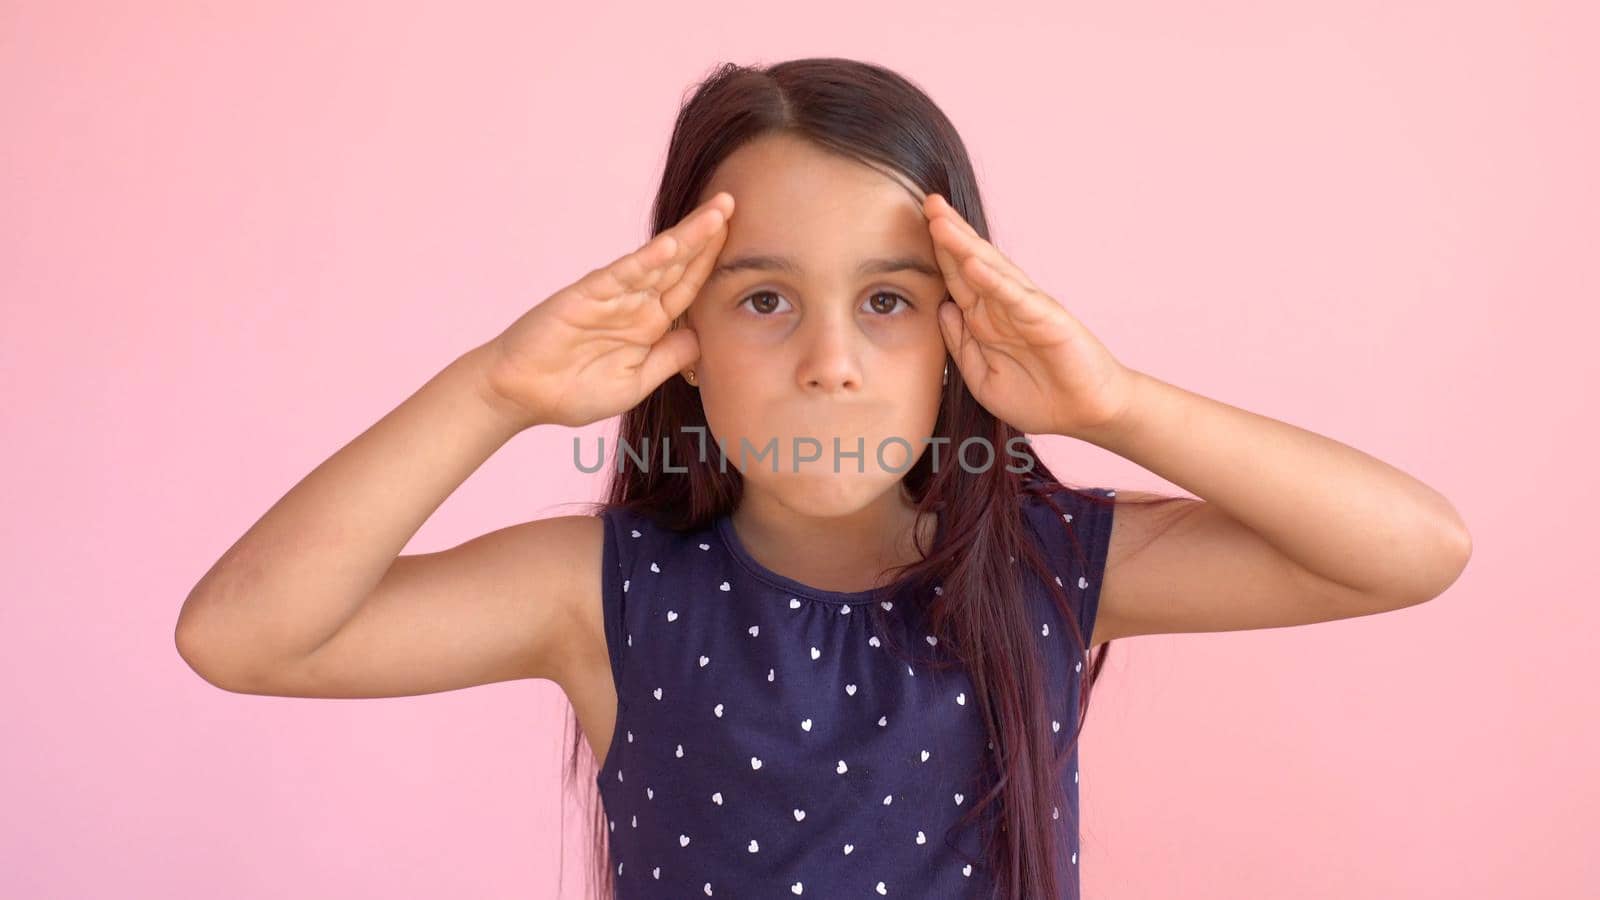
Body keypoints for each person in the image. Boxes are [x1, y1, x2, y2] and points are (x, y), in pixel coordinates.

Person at [174, 58, 1473, 900]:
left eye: (891, 299)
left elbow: (1415, 549)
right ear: (684, 337)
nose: (832, 364)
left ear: (965, 322)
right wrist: (494, 389)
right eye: (764, 300)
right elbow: (242, 636)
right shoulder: (601, 594)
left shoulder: (1048, 567)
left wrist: (1117, 403)